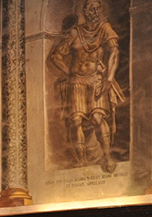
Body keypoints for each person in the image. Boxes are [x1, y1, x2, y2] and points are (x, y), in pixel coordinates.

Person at [48, 0, 124, 173]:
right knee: (75, 121)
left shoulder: (105, 29)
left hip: (96, 80)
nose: (94, 12)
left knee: (97, 118)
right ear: (84, 11)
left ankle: (107, 157)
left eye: (97, 9)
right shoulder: (75, 32)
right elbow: (56, 56)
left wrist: (109, 79)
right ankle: (80, 161)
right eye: (91, 9)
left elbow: (115, 52)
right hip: (76, 82)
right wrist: (68, 72)